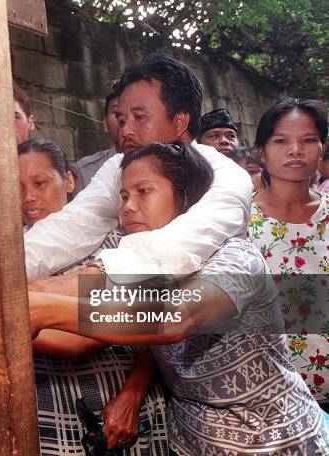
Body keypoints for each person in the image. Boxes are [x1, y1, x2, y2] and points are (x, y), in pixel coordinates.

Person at [28, 141, 329, 455]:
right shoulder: (148, 261)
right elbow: (81, 339)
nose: (129, 206)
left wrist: (42, 307)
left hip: (274, 440)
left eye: (144, 191)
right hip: (193, 439)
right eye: (124, 196)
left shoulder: (235, 258)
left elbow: (175, 319)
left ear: (185, 198)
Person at [24, 53, 252, 281]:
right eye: (122, 120)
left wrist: (64, 286)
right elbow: (74, 225)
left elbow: (172, 249)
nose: (125, 131)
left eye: (140, 117)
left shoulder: (228, 178)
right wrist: (8, 271)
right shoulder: (118, 166)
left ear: (180, 121)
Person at [18, 139, 169, 455]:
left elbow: (155, 327)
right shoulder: (12, 254)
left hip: (125, 402)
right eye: (16, 186)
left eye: (40, 183)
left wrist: (132, 395)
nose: (28, 196)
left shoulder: (121, 240)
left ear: (70, 180)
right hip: (49, 403)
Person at [247, 97, 328, 407]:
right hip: (265, 397)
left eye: (309, 140)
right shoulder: (237, 221)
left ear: (322, 148)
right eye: (281, 140)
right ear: (261, 152)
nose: (296, 149)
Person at [71, 78, 122, 195]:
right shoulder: (84, 173)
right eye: (118, 113)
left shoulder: (166, 163)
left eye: (137, 114)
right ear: (105, 124)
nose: (124, 120)